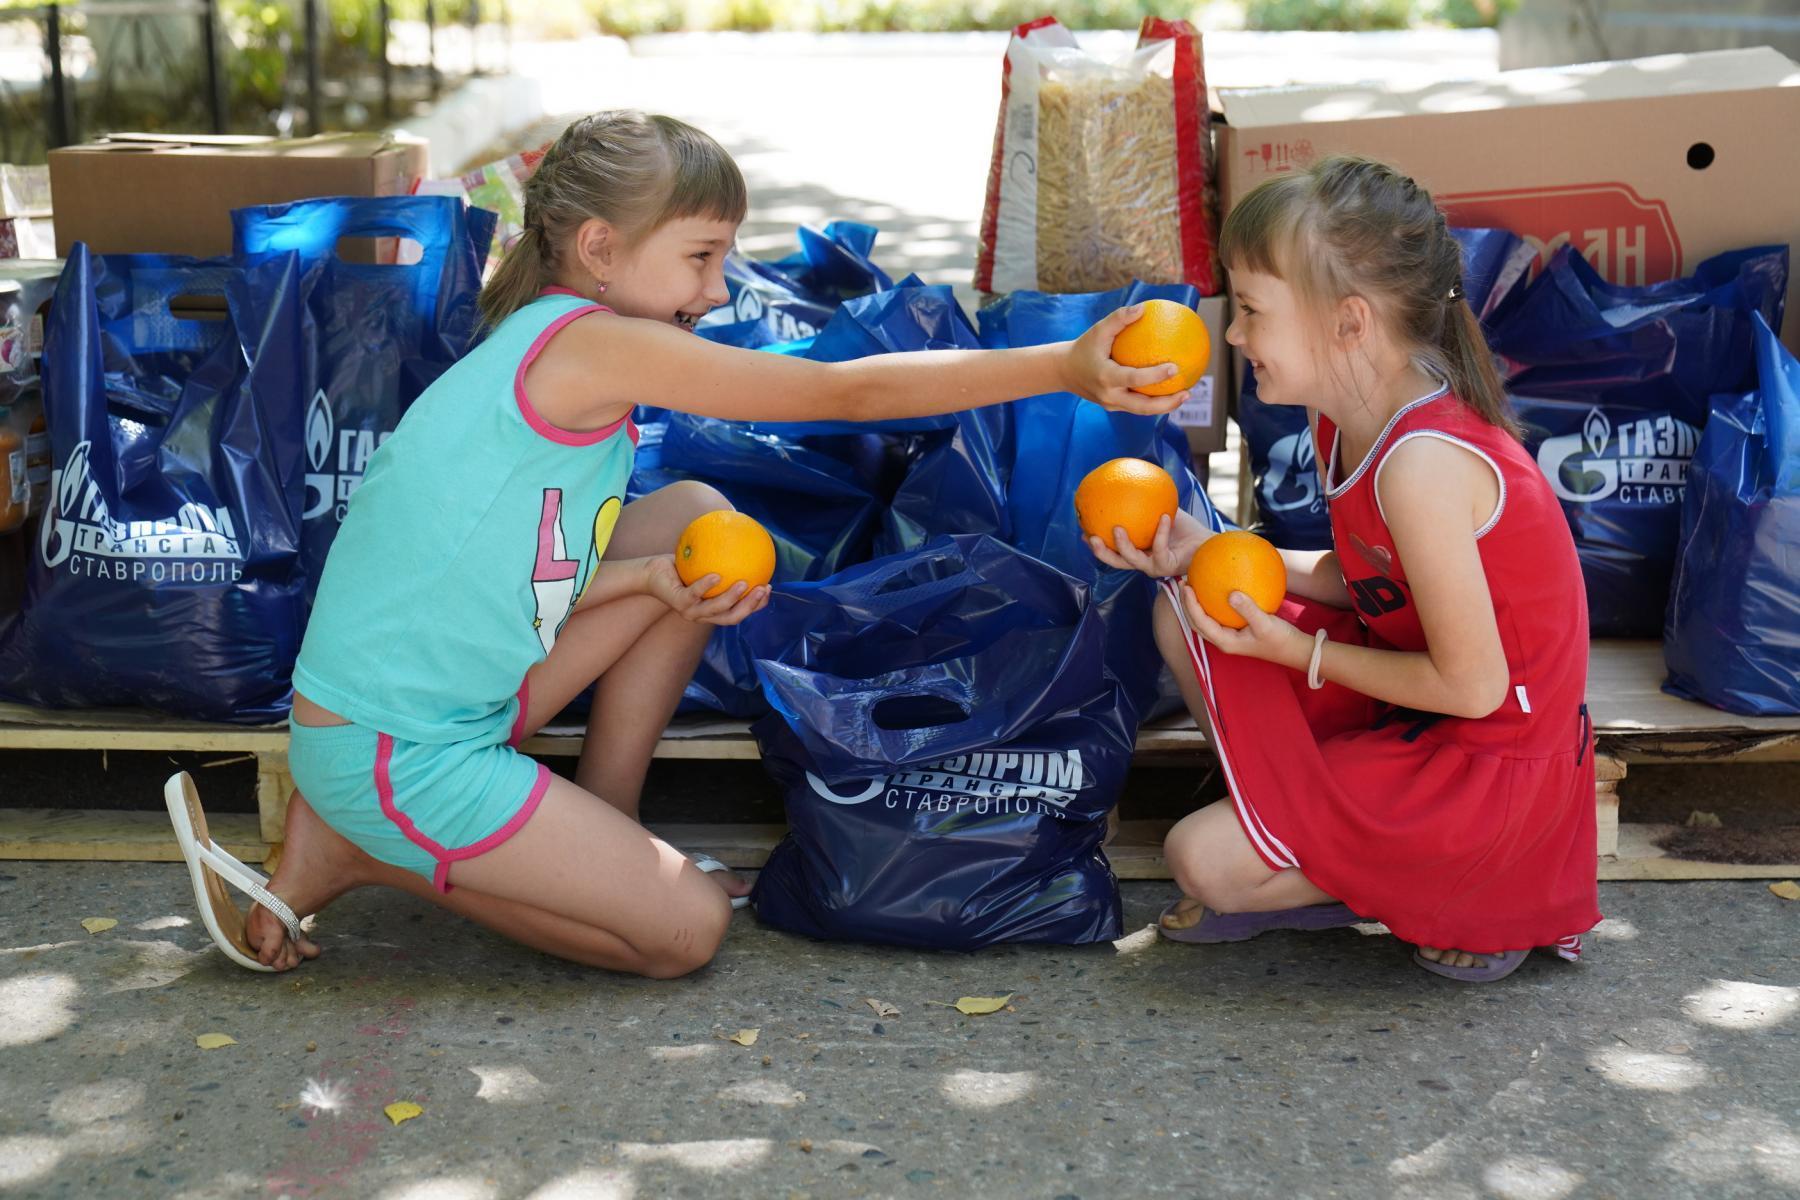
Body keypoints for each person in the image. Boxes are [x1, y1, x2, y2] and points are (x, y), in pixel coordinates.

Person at [165, 110, 1187, 978]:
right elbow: (840, 395)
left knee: (698, 516)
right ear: (602, 248)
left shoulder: (549, 336)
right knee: (682, 940)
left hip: (445, 710)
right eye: (701, 255)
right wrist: (1063, 365)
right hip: (403, 753)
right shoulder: (595, 345)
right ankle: (355, 854)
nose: (717, 287)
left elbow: (525, 575)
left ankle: (602, 820)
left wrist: (655, 576)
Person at [1091, 156, 1600, 983]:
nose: (1232, 334)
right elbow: (1356, 574)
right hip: (1417, 709)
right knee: (1186, 601)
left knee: (1201, 861)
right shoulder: (1348, 416)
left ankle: (1470, 885)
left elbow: (1474, 690)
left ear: (1349, 323)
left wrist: (1295, 654)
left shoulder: (1423, 464)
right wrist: (1207, 547)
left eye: (1252, 310)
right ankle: (1310, 839)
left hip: (1484, 761)